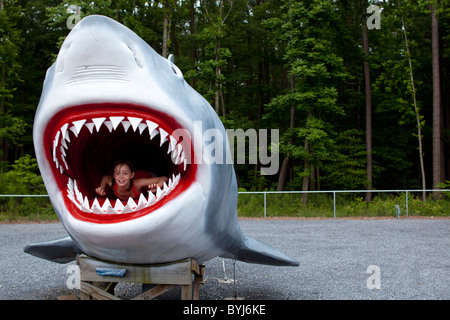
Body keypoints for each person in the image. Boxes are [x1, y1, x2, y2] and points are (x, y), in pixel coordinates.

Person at [95, 160, 168, 201]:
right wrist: (102, 188)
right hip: (136, 175)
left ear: (131, 175)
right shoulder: (113, 184)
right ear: (114, 175)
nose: (121, 177)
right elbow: (105, 178)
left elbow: (163, 178)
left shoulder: (137, 183)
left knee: (156, 169)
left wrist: (158, 186)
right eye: (117, 173)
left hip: (148, 175)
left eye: (125, 173)